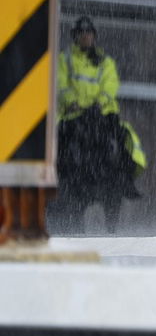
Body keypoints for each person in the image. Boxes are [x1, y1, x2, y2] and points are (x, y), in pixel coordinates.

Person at [54, 16, 144, 231]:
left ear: (94, 36)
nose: (86, 36)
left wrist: (99, 103)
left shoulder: (106, 62)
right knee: (58, 146)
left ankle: (125, 181)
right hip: (73, 116)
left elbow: (110, 85)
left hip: (100, 115)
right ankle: (55, 184)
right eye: (82, 33)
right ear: (75, 36)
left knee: (122, 141)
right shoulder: (64, 60)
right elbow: (61, 84)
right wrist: (72, 103)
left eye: (89, 33)